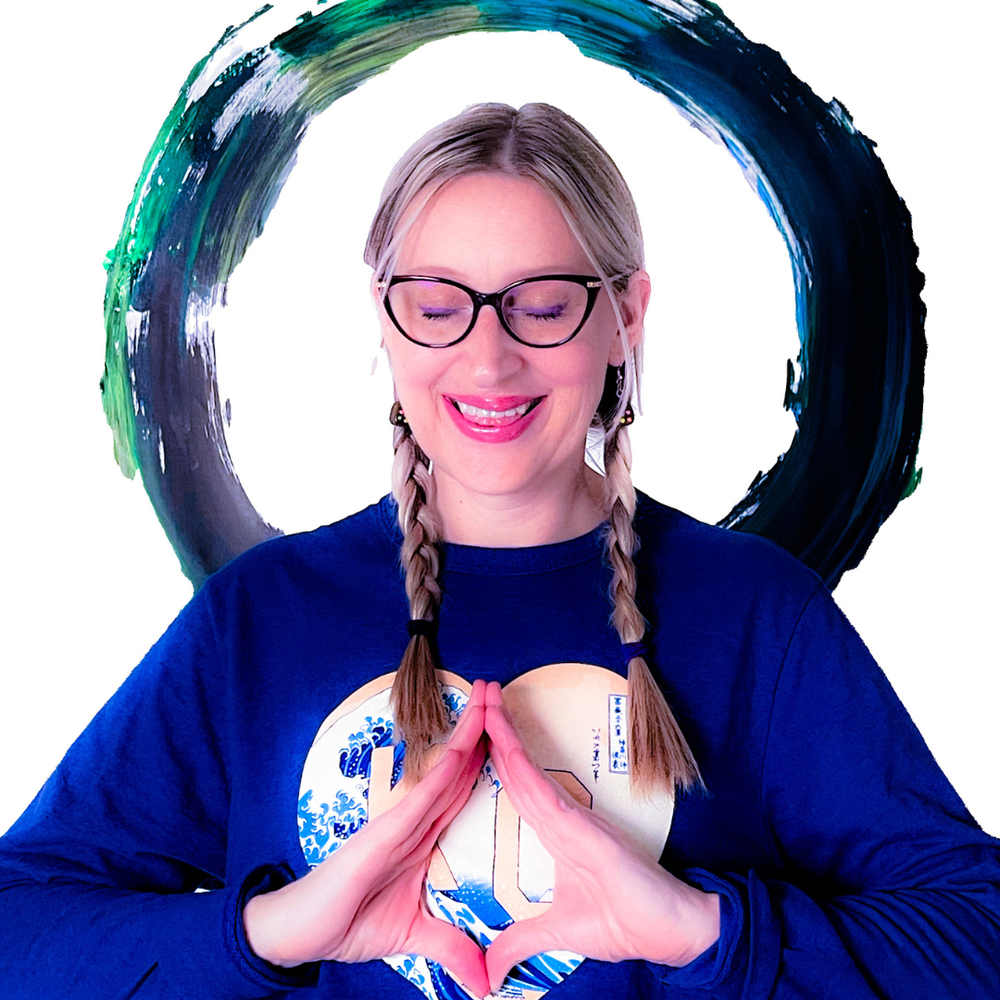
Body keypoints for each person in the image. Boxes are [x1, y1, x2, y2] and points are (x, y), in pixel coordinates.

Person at [0, 102, 997, 1000]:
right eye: (438, 306)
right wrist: (273, 931)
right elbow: (21, 924)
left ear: (625, 316)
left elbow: (975, 938)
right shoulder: (259, 619)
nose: (487, 358)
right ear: (385, 319)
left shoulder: (756, 617)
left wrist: (706, 932)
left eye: (543, 304)